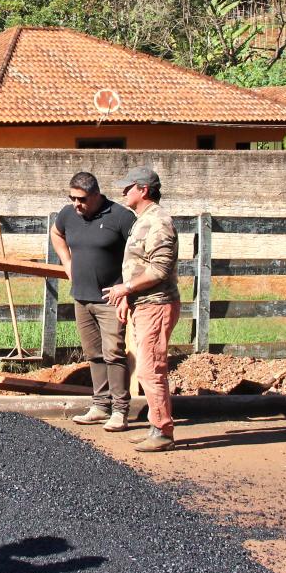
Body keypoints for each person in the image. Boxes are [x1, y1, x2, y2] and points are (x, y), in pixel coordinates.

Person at [51, 171, 134, 432]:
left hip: (111, 299)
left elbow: (138, 252)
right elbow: (56, 233)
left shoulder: (120, 217)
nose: (77, 204)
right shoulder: (68, 215)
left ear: (97, 195)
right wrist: (66, 262)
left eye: (82, 199)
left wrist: (126, 291)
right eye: (72, 198)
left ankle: (120, 410)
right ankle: (100, 406)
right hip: (82, 297)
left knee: (114, 354)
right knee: (94, 354)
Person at [104, 168, 180, 452]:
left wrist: (125, 289)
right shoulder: (143, 220)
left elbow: (159, 269)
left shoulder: (159, 222)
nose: (124, 193)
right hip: (144, 304)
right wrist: (128, 296)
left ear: (143, 190)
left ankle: (162, 431)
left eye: (128, 188)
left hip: (157, 305)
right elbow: (139, 265)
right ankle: (155, 426)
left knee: (151, 369)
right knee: (148, 369)